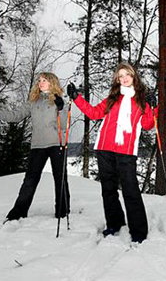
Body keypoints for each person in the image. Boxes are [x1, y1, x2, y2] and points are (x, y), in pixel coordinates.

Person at [67, 62, 157, 243]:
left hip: (126, 151)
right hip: (104, 148)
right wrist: (77, 98)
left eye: (127, 75)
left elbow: (148, 125)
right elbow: (93, 113)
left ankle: (139, 231)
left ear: (133, 77)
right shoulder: (112, 98)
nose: (124, 78)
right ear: (117, 79)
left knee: (130, 190)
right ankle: (114, 223)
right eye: (120, 76)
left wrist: (153, 107)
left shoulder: (141, 100)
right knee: (108, 190)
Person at [0, 72, 70, 220]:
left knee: (60, 178)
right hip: (38, 145)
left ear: (52, 83)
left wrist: (61, 108)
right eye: (40, 80)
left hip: (56, 144)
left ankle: (62, 210)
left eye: (45, 80)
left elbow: (65, 125)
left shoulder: (58, 101)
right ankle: (19, 211)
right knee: (30, 179)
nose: (41, 83)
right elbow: (15, 115)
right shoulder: (33, 101)